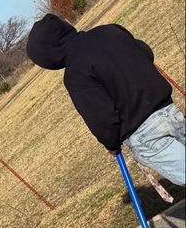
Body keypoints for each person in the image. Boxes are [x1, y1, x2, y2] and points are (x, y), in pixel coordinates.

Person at [25, 14, 186, 185]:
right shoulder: (110, 31)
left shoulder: (75, 74)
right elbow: (145, 52)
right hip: (170, 113)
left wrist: (111, 144)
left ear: (49, 56)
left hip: (145, 134)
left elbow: (101, 117)